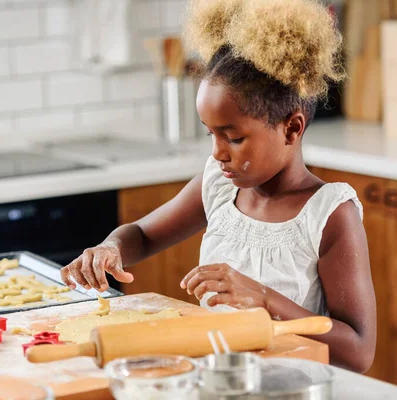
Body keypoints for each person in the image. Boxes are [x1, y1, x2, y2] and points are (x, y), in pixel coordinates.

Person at [60, 0, 377, 373]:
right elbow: (143, 235)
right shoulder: (220, 187)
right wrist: (110, 247)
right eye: (211, 134)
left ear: (291, 128)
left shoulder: (329, 213)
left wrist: (262, 297)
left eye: (233, 138)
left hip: (292, 387)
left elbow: (358, 351)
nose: (217, 153)